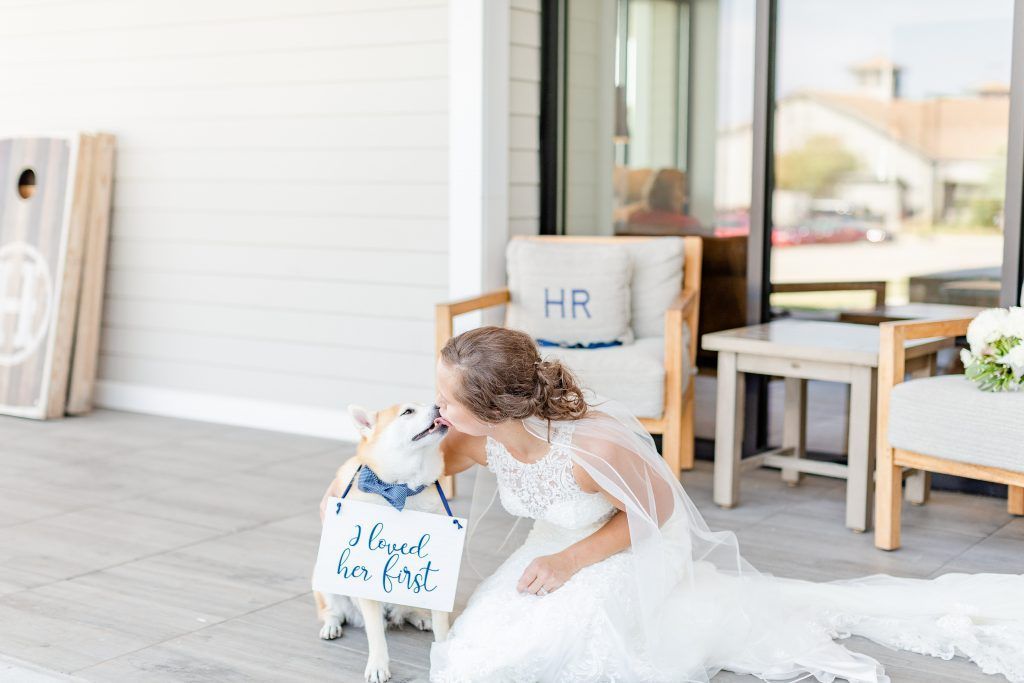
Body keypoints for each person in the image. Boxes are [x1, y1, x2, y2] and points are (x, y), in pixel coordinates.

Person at [427, 326, 1024, 683]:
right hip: (554, 548)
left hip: (629, 545)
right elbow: (411, 468)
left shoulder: (591, 451)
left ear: (493, 411)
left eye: (447, 400)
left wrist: (568, 562)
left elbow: (657, 515)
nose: (437, 409)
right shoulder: (472, 437)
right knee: (480, 653)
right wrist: (373, 476)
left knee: (557, 649)